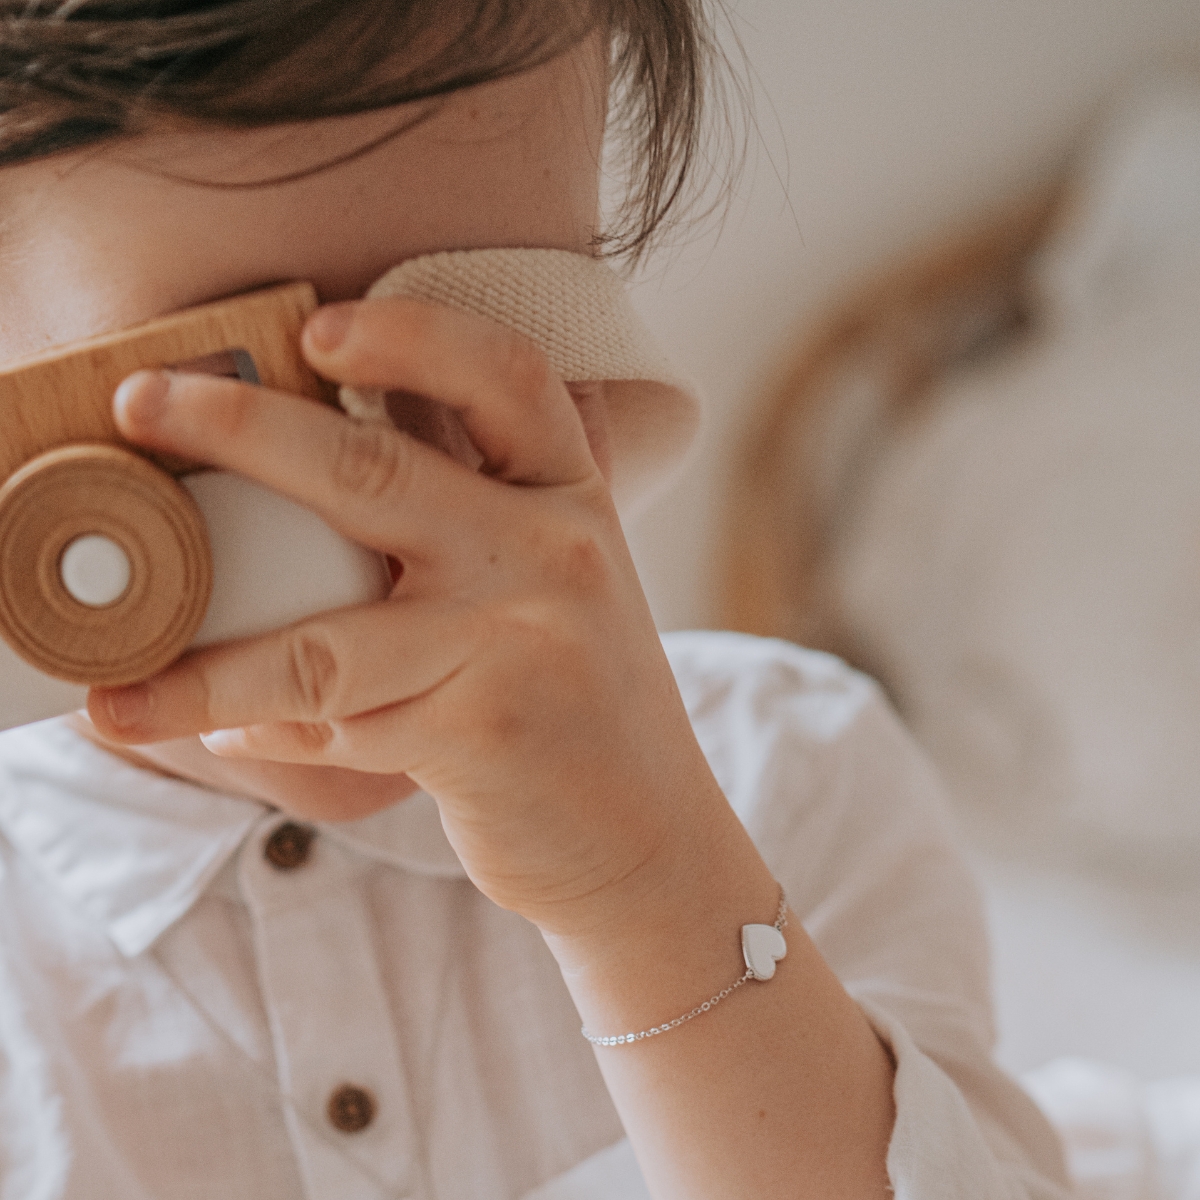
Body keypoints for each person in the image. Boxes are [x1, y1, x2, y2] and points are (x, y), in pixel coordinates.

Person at [0, 2, 1068, 1197]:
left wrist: (648, 886)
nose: (394, 513)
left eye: (503, 331)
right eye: (237, 388)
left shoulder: (788, 776)